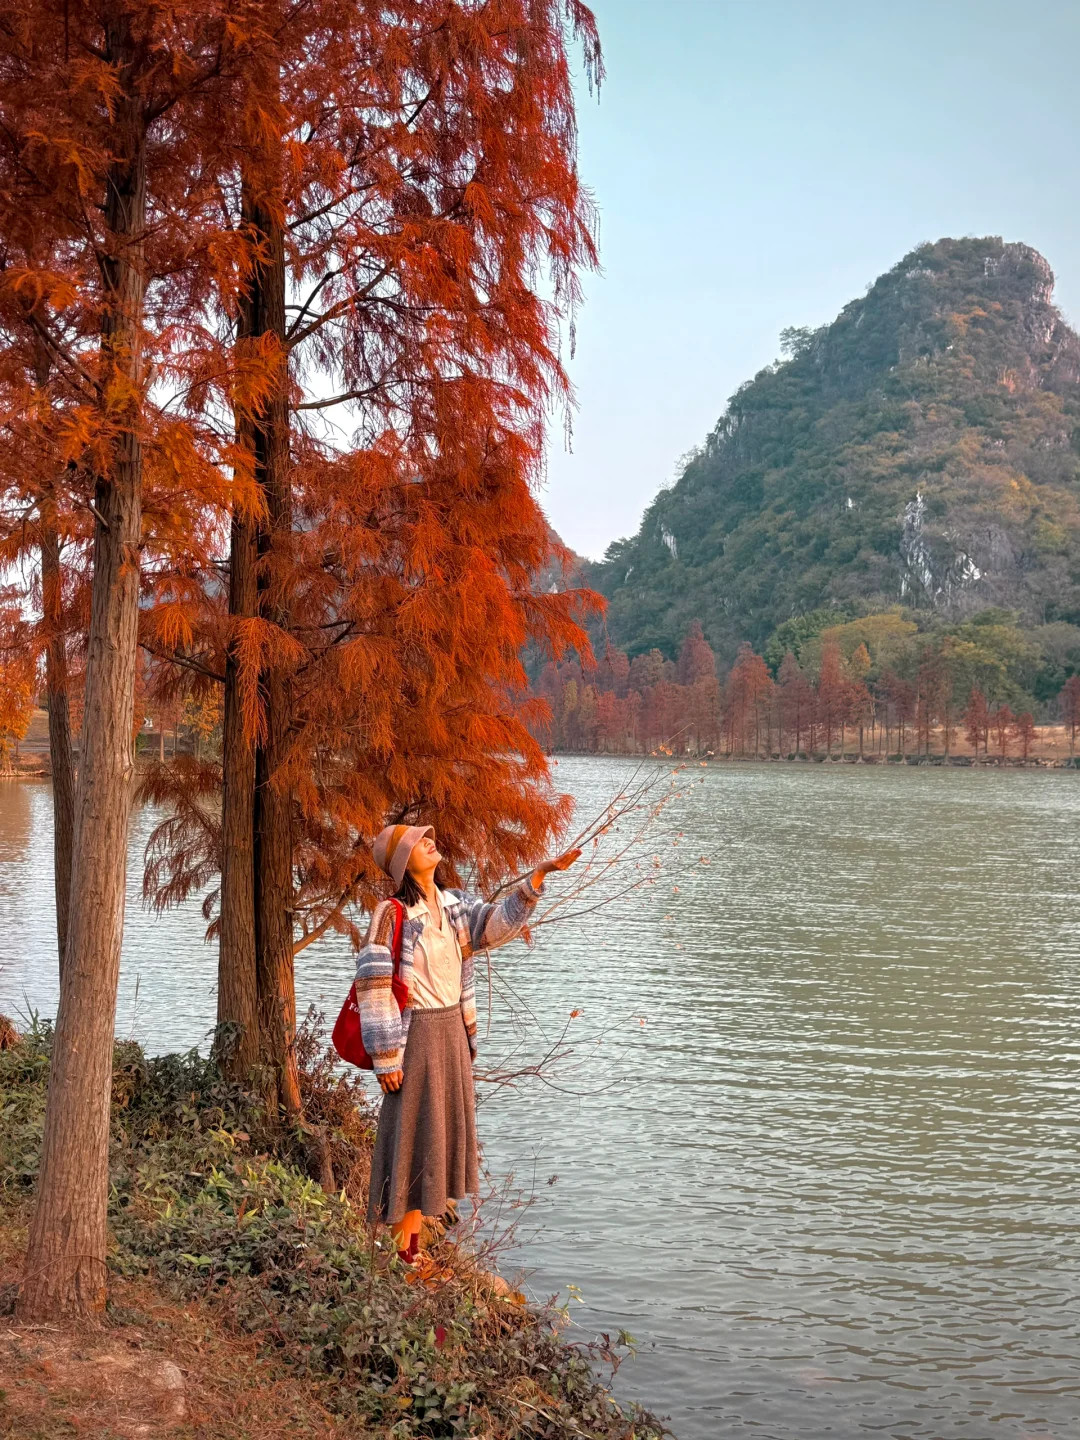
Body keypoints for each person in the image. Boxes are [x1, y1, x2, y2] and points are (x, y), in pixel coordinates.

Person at [356, 823, 580, 1261]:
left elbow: (496, 927)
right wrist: (385, 1057)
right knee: (410, 1148)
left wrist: (537, 877)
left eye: (427, 836)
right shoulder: (390, 913)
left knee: (432, 1148)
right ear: (402, 862)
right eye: (418, 841)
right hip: (415, 1039)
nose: (430, 840)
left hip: (453, 1036)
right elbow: (373, 983)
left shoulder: (454, 905)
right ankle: (403, 1260)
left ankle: (412, 1255)